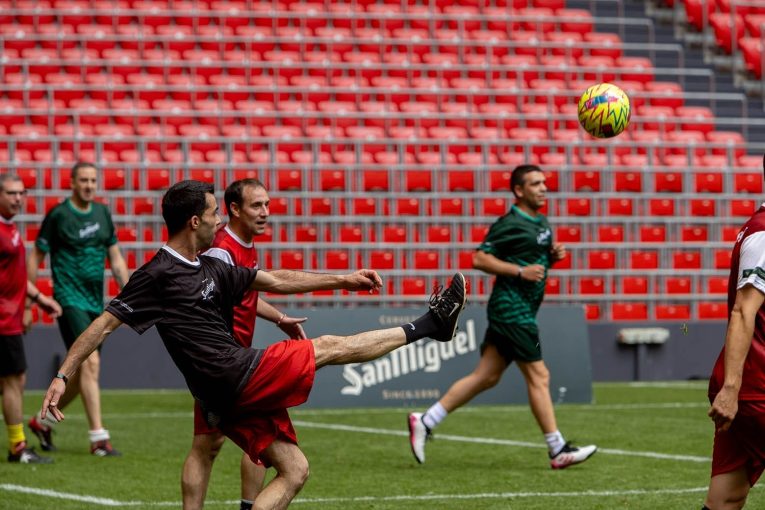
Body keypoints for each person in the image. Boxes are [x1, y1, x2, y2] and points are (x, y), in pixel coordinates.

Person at [41, 180, 467, 509]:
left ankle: (433, 322)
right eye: (212, 214)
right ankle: (432, 323)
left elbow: (278, 280)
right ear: (194, 221)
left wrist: (344, 277)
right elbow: (104, 324)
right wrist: (63, 374)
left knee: (295, 470)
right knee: (329, 347)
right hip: (233, 374)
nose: (218, 222)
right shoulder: (157, 274)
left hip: (224, 393)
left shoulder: (209, 265)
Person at [407, 164, 597, 469]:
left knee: (487, 376)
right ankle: (557, 448)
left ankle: (425, 421)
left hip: (520, 309)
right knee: (540, 376)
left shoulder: (541, 221)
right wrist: (519, 271)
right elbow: (479, 258)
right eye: (535, 183)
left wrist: (552, 257)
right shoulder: (509, 223)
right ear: (519, 191)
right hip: (513, 311)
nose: (543, 188)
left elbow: (533, 257)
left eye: (544, 182)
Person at [182, 178, 308, 510]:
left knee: (219, 443)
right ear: (234, 209)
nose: (265, 212)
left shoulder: (245, 245)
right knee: (209, 445)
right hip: (224, 366)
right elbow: (206, 299)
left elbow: (244, 294)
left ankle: (248, 505)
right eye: (257, 205)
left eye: (267, 205)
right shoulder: (222, 249)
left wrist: (280, 318)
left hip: (237, 364)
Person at [27, 161, 129, 456]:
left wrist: (127, 289)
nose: (88, 185)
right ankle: (99, 438)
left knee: (82, 371)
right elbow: (35, 257)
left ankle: (41, 422)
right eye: (83, 180)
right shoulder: (58, 215)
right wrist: (28, 302)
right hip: (68, 299)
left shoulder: (102, 213)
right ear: (72, 183)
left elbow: (116, 256)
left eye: (93, 180)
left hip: (94, 301)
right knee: (92, 364)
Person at [703, 155, 765, 510]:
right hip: (757, 391)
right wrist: (731, 390)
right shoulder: (764, 233)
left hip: (748, 390)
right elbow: (743, 311)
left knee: (726, 497)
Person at [0, 172, 61, 463]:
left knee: (12, 381)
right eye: (11, 193)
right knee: (14, 380)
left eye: (21, 193)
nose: (18, 198)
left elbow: (17, 277)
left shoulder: (10, 228)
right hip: (2, 320)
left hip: (9, 317)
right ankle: (18, 447)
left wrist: (39, 299)